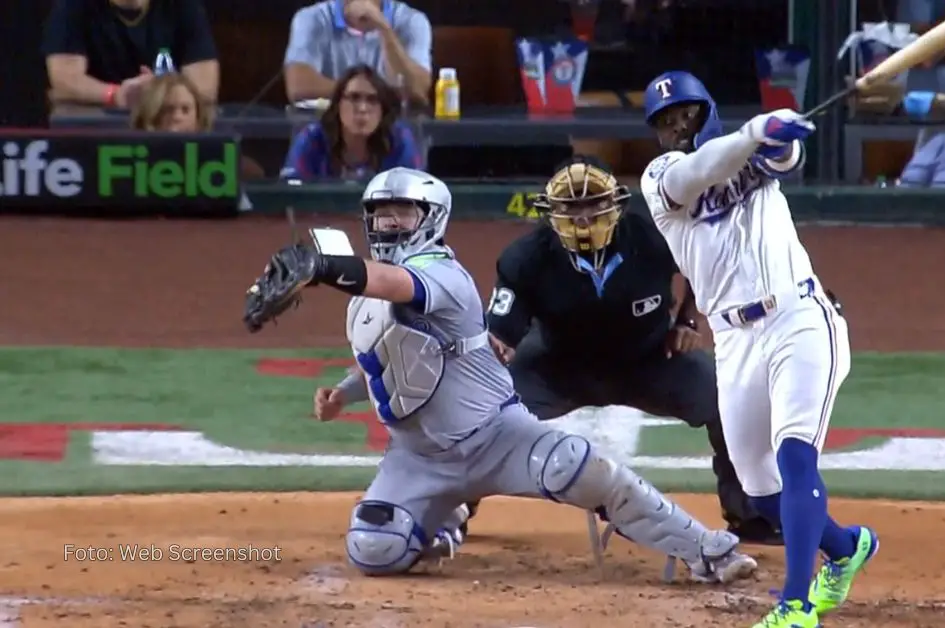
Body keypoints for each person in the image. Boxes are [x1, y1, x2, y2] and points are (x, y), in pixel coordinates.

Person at [244, 167, 759, 586]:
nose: (391, 224)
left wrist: (321, 265)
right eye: (380, 214)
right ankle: (441, 521)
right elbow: (391, 355)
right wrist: (345, 393)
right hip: (417, 457)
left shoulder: (440, 274)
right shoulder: (364, 304)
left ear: (432, 217)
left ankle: (705, 548)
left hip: (498, 438)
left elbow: (387, 279)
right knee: (374, 550)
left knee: (588, 472)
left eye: (403, 213)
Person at [638, 71, 877, 628]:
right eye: (666, 123)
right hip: (734, 339)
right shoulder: (661, 179)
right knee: (758, 489)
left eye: (687, 115)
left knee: (796, 457)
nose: (678, 128)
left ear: (707, 112)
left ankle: (795, 606)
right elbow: (704, 168)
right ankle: (845, 548)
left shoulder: (754, 156)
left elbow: (783, 158)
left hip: (798, 318)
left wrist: (780, 134)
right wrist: (755, 131)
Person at [472, 155, 781, 545]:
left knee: (728, 399)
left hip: (649, 361)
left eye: (592, 204)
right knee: (480, 410)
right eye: (571, 207)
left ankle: (751, 514)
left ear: (616, 204)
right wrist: (497, 346)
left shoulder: (654, 237)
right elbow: (503, 330)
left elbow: (704, 267)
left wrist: (687, 320)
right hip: (557, 366)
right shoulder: (524, 258)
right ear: (550, 211)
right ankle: (454, 510)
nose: (583, 218)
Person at [43, 0, 219, 109]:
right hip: (97, 125)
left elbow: (205, 86)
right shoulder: (73, 5)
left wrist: (158, 95)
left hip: (165, 122)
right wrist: (117, 95)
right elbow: (64, 80)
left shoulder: (182, 5)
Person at [280, 65, 423, 182]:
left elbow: (416, 196)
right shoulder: (312, 137)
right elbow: (291, 195)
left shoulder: (399, 139)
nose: (362, 108)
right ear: (338, 104)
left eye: (372, 100)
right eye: (354, 98)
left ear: (382, 109)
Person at [284, 0, 432, 106]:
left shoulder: (412, 21)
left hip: (392, 132)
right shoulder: (311, 18)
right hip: (326, 131)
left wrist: (383, 28)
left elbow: (417, 91)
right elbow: (298, 87)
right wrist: (373, 93)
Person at [130, 73, 266, 181]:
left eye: (185, 110)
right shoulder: (129, 166)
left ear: (198, 117)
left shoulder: (229, 167)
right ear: (151, 115)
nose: (177, 117)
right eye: (168, 110)